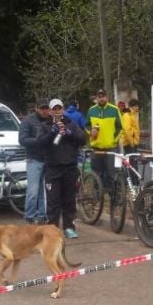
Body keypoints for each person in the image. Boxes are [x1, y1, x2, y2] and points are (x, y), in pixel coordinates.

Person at [42, 98, 87, 239]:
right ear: (50, 111)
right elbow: (39, 142)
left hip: (70, 168)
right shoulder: (45, 126)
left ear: (63, 110)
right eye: (54, 109)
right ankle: (52, 229)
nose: (57, 111)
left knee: (69, 200)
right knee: (53, 201)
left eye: (59, 108)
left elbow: (83, 139)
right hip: (53, 169)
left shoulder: (71, 124)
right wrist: (52, 133)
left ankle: (69, 227)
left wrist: (69, 133)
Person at [18, 99, 51, 224]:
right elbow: (22, 140)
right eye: (42, 108)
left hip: (48, 160)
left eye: (46, 108)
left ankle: (43, 216)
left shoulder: (51, 120)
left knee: (45, 190)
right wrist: (37, 141)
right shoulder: (28, 121)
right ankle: (29, 216)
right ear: (36, 108)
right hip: (34, 159)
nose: (44, 111)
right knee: (33, 190)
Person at [85, 89, 122, 197]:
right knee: (96, 173)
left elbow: (120, 127)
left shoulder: (114, 110)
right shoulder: (91, 110)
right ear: (96, 98)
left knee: (112, 173)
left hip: (110, 148)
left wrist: (113, 140)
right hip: (96, 148)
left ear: (107, 97)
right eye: (99, 96)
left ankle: (115, 196)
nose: (101, 98)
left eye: (103, 96)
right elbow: (86, 125)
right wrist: (90, 131)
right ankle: (97, 196)